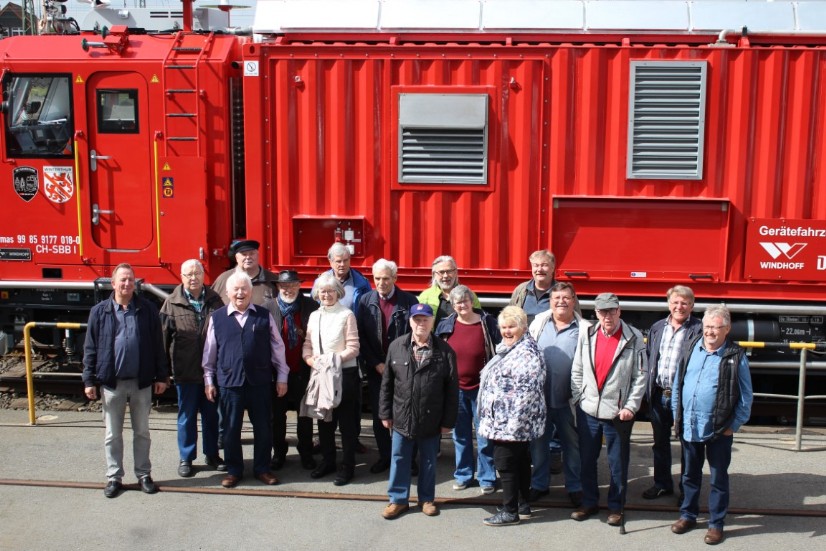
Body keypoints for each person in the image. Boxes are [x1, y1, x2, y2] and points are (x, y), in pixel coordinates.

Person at [82, 263, 169, 498]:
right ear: (113, 284)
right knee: (113, 434)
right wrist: (89, 380)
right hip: (112, 383)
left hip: (141, 382)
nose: (127, 283)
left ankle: (143, 475)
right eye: (122, 280)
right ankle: (114, 477)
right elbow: (90, 348)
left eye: (130, 280)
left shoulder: (148, 309)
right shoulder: (99, 312)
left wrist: (161, 376)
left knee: (142, 432)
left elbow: (157, 346)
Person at [670, 305, 753, 546]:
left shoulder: (736, 356)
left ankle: (716, 524)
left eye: (715, 327)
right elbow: (678, 384)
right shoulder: (691, 347)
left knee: (718, 478)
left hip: (719, 429)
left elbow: (746, 396)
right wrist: (678, 416)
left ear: (726, 329)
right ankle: (688, 515)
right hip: (690, 425)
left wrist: (734, 425)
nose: (709, 332)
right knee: (690, 475)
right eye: (706, 327)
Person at [202, 272, 288, 489]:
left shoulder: (263, 315)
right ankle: (234, 470)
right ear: (228, 292)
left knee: (263, 428)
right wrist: (209, 380)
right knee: (231, 429)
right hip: (229, 383)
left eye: (244, 289)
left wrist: (282, 377)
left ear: (251, 291)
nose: (240, 293)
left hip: (259, 381)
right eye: (236, 289)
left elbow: (277, 348)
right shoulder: (217, 318)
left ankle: (262, 469)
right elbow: (210, 353)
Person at [570, 293, 646, 526]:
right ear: (596, 313)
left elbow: (640, 376)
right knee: (587, 459)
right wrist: (579, 398)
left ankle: (616, 507)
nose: (607, 316)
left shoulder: (633, 337)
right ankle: (590, 502)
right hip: (589, 410)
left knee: (617, 463)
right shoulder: (588, 334)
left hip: (618, 413)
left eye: (611, 311)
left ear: (619, 311)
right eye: (603, 312)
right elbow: (578, 368)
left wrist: (631, 407)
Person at [379, 303, 458, 520]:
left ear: (432, 322)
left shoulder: (444, 351)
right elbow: (387, 384)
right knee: (399, 458)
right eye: (417, 319)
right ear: (410, 321)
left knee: (429, 460)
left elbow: (452, 390)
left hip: (430, 418)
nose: (420, 323)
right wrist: (385, 413)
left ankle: (426, 499)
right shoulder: (397, 346)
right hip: (402, 417)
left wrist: (448, 421)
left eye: (425, 319)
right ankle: (397, 500)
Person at [477, 306, 546, 526]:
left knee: (505, 463)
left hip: (511, 423)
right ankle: (522, 505)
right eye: (504, 327)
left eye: (512, 327)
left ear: (523, 327)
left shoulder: (526, 353)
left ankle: (509, 511)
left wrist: (513, 427)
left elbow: (526, 394)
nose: (507, 331)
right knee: (520, 462)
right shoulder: (511, 348)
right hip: (506, 421)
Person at [160, 259, 226, 478]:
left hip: (211, 373)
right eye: (188, 274)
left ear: (203, 274)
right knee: (186, 417)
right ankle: (186, 457)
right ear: (181, 276)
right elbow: (162, 340)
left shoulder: (215, 300)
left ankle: (212, 454)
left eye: (197, 273)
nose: (193, 278)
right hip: (185, 371)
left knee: (212, 416)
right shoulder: (171, 303)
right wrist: (163, 373)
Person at [435, 285, 499, 495]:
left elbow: (500, 350)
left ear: (472, 302)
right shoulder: (446, 325)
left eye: (465, 301)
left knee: (484, 435)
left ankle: (487, 476)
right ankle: (463, 474)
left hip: (482, 389)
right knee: (460, 435)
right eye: (457, 302)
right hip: (456, 390)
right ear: (452, 305)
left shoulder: (486, 323)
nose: (462, 305)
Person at [356, 259, 418, 475]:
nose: (381, 283)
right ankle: (385, 457)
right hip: (377, 368)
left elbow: (415, 335)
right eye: (377, 278)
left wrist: (400, 363)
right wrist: (375, 363)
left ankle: (408, 460)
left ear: (395, 278)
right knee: (380, 415)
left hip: (403, 368)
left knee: (406, 415)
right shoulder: (365, 301)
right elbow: (360, 335)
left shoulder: (409, 301)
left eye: (386, 278)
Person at [527, 282, 585, 507]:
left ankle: (575, 487)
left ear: (574, 300)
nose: (561, 302)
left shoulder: (584, 328)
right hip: (540, 398)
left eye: (566, 298)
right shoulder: (539, 323)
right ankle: (539, 485)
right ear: (550, 301)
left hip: (568, 399)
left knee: (572, 444)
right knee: (538, 445)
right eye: (556, 298)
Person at [643, 285, 703, 501]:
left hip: (685, 397)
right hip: (659, 394)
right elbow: (651, 357)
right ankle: (662, 484)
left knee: (688, 444)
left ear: (692, 306)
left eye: (684, 303)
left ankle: (686, 491)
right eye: (676, 302)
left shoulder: (699, 329)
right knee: (660, 443)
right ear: (669, 304)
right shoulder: (658, 327)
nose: (680, 307)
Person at [302, 272, 361, 485]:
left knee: (346, 424)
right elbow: (307, 344)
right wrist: (309, 360)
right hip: (320, 374)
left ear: (338, 292)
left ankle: (348, 466)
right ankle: (328, 461)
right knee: (324, 422)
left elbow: (354, 348)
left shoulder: (347, 315)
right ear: (317, 294)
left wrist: (332, 360)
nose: (326, 295)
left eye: (330, 291)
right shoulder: (314, 316)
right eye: (322, 291)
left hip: (343, 374)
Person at [269, 270, 319, 471]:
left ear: (300, 286)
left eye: (292, 285)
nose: (288, 289)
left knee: (305, 417)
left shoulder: (312, 307)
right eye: (284, 286)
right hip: (276, 372)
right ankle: (278, 453)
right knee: (276, 417)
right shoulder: (268, 308)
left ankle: (306, 453)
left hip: (303, 370)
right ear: (277, 287)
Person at [418, 255, 480, 327]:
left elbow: (479, 321)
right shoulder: (425, 297)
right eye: (441, 272)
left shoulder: (469, 294)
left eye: (449, 271)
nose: (445, 276)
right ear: (434, 274)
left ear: (456, 272)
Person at [211, 239, 278, 306]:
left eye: (252, 253)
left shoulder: (273, 280)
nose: (248, 257)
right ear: (237, 258)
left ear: (258, 255)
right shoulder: (223, 279)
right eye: (244, 254)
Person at [509, 249, 556, 325]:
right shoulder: (521, 290)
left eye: (544, 265)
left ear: (552, 268)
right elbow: (509, 318)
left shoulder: (562, 292)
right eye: (536, 265)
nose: (539, 269)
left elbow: (575, 321)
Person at [325, 242, 372, 317]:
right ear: (330, 262)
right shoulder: (321, 281)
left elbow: (370, 310)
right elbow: (313, 307)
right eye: (338, 261)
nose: (342, 264)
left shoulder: (362, 283)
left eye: (345, 260)